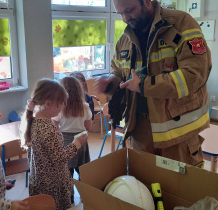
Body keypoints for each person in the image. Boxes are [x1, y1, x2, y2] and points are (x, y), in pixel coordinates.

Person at [94, 0, 211, 167]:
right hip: (140, 130)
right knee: (144, 187)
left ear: (147, 2)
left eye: (129, 10)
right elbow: (119, 72)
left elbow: (195, 74)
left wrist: (144, 85)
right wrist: (111, 82)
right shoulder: (125, 39)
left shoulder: (181, 24)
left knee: (178, 189)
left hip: (178, 133)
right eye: (120, 14)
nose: (125, 18)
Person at [23, 78, 88, 210]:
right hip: (53, 184)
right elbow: (60, 159)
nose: (62, 107)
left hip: (39, 180)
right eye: (60, 104)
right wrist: (76, 144)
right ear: (48, 104)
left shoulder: (33, 121)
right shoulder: (49, 128)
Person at [53, 76, 92, 204]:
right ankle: (85, 195)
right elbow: (88, 127)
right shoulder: (85, 107)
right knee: (83, 171)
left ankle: (69, 198)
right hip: (81, 141)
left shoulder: (60, 109)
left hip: (65, 142)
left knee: (66, 173)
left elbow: (54, 126)